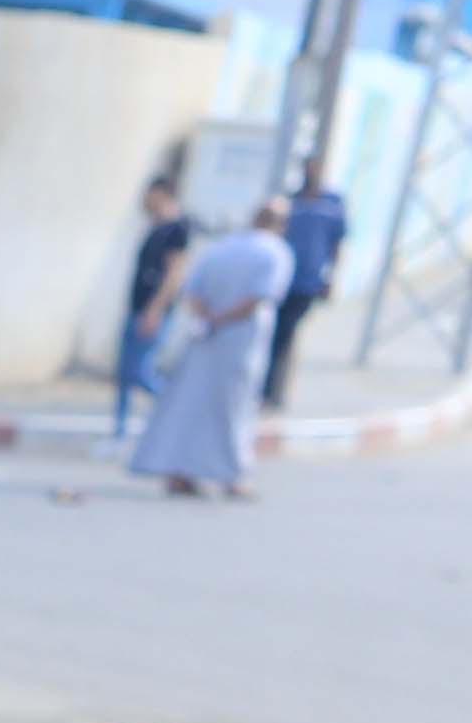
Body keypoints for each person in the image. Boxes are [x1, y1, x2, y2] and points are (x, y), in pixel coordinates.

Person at [126, 199, 288, 496]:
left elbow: (191, 291)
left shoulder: (222, 248)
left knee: (190, 404)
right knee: (233, 410)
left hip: (206, 336)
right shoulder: (275, 252)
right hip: (240, 341)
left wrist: (210, 317)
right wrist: (224, 319)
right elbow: (260, 297)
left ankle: (180, 472)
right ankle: (233, 477)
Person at [111, 167, 195, 447]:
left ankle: (177, 410)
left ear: (160, 194)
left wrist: (154, 310)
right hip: (137, 309)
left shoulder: (177, 229)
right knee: (124, 375)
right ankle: (119, 433)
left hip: (152, 312)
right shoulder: (154, 227)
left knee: (140, 373)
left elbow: (174, 274)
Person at [265, 171, 350, 406]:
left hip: (306, 283)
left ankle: (273, 393)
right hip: (281, 281)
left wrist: (330, 279)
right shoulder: (291, 203)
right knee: (271, 336)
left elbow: (337, 244)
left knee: (284, 337)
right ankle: (265, 390)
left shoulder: (331, 207)